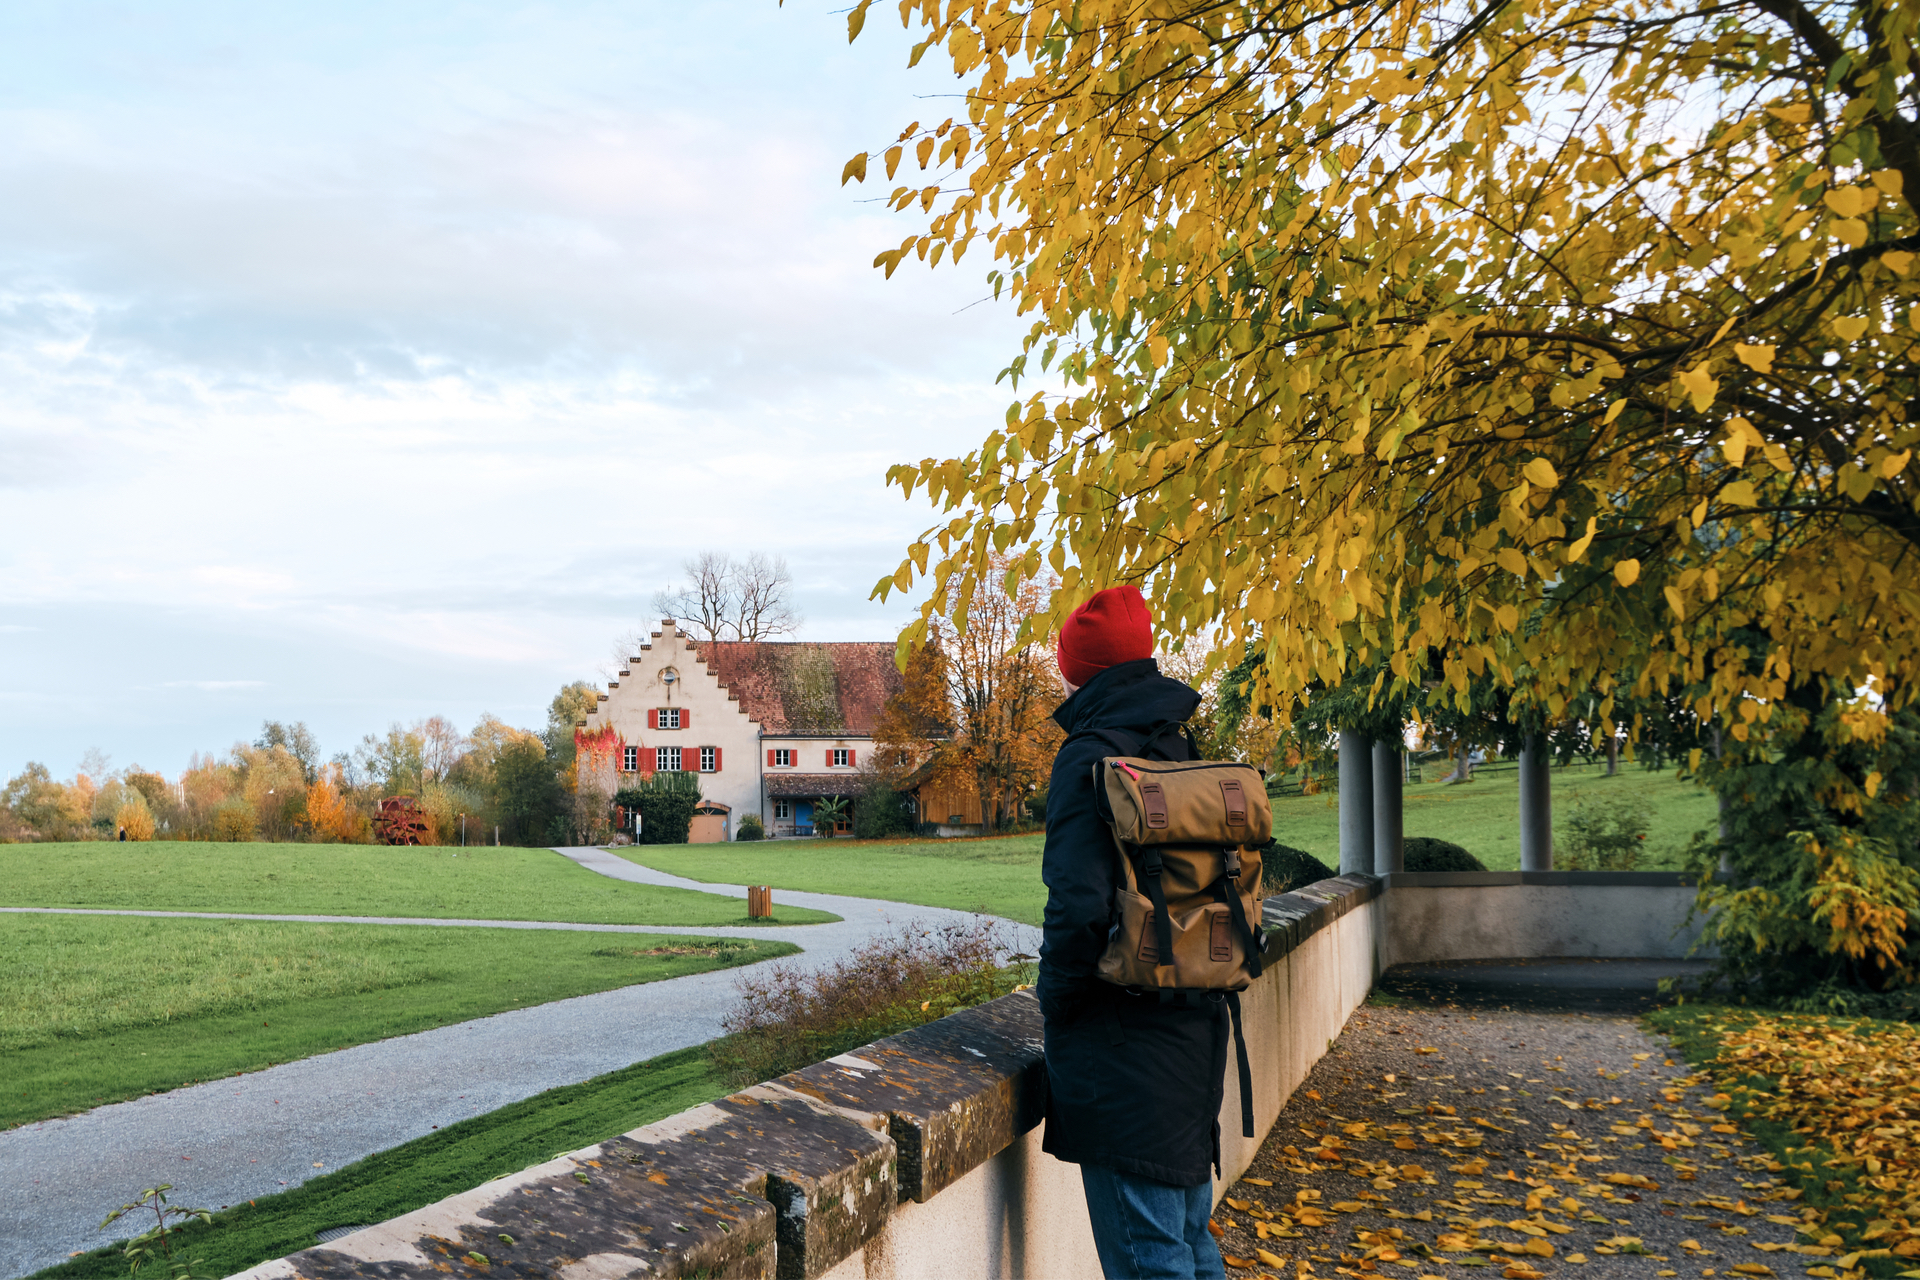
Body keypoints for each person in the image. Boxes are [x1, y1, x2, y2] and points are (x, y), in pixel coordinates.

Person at [1039, 584, 1228, 1280]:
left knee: (1153, 1261)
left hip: (1122, 1046)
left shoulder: (1090, 755)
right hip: (1193, 1026)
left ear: (1075, 667)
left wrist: (1058, 1001)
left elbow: (1077, 905)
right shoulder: (1179, 746)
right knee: (1188, 1244)